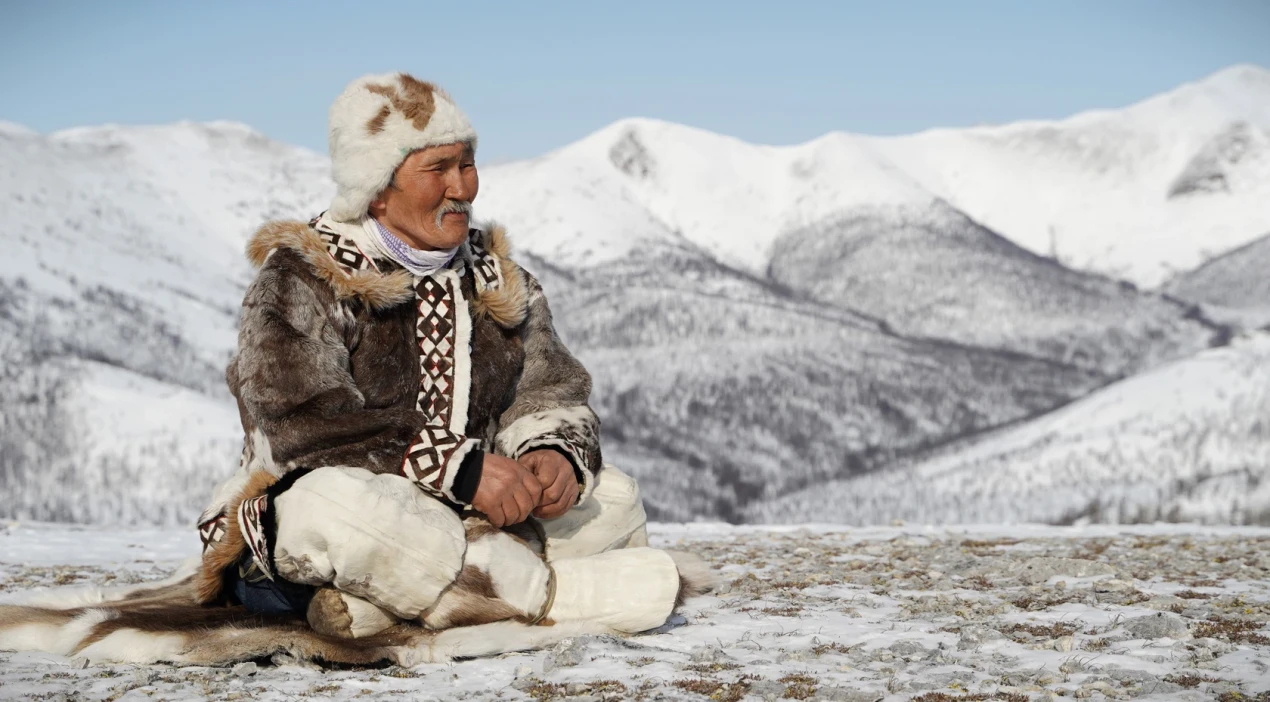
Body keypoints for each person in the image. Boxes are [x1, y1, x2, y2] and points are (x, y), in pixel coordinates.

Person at [188, 72, 702, 639]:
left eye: (467, 164)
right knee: (345, 512)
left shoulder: (498, 281)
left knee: (613, 498)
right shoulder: (304, 277)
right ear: (376, 188)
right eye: (438, 169)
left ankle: (384, 606)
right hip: (318, 517)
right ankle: (552, 599)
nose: (463, 187)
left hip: (465, 518)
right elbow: (301, 424)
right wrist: (460, 469)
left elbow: (550, 390)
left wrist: (550, 455)